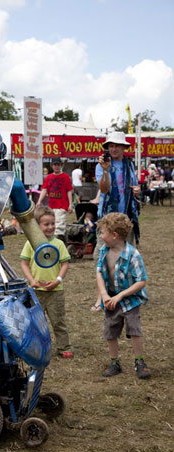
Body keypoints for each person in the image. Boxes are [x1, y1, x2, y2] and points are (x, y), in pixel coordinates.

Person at [96, 212, 150, 379]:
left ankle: (139, 361)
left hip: (130, 299)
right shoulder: (104, 251)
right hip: (111, 298)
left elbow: (141, 281)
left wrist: (121, 296)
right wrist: (104, 295)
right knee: (110, 330)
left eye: (102, 232)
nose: (100, 235)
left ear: (114, 235)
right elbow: (99, 273)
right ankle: (115, 363)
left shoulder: (133, 254)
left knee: (134, 329)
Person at [91, 132, 140, 312]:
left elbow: (134, 187)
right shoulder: (102, 165)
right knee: (101, 257)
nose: (113, 148)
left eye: (117, 145)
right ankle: (101, 296)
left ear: (124, 147)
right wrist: (105, 170)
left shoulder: (129, 165)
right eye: (111, 145)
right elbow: (103, 189)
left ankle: (124, 294)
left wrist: (137, 190)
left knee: (126, 257)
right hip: (107, 218)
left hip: (126, 217)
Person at [20, 205, 73, 358]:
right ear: (37, 226)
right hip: (37, 292)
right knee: (35, 323)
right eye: (46, 224)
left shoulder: (59, 244)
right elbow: (24, 263)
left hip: (55, 291)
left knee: (58, 321)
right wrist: (31, 280)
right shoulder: (31, 244)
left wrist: (58, 280)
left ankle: (64, 347)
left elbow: (65, 264)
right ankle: (36, 348)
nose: (51, 227)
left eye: (53, 223)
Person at [36, 158, 73, 240]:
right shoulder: (48, 177)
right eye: (55, 165)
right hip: (51, 206)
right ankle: (53, 241)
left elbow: (69, 191)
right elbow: (44, 190)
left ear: (61, 166)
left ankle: (59, 242)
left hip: (62, 206)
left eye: (58, 165)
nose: (56, 167)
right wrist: (39, 201)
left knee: (59, 226)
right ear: (52, 166)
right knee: (51, 225)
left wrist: (70, 204)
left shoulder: (66, 177)